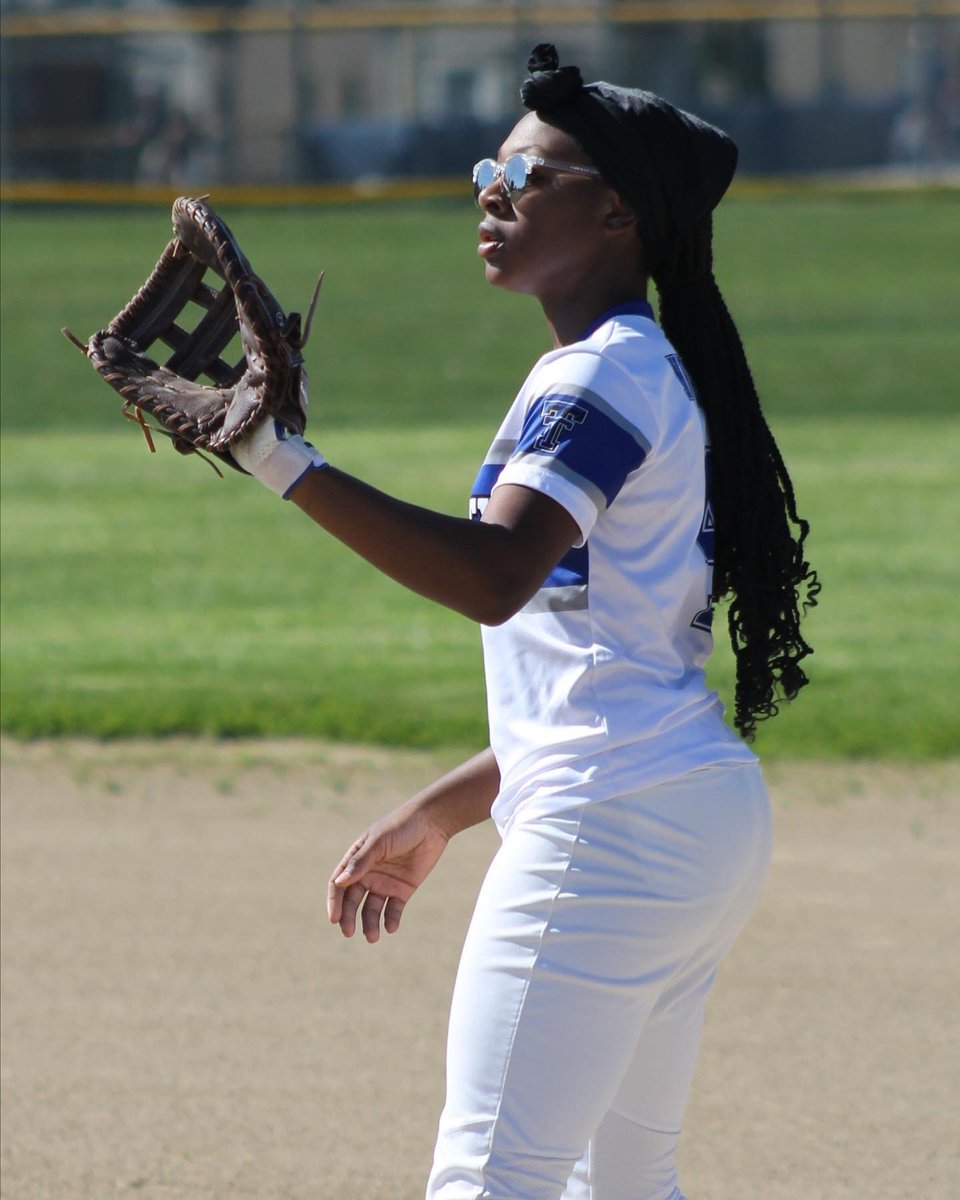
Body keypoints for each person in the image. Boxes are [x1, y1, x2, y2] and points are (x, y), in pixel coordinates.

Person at [231, 42, 819, 1200]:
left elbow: (496, 573)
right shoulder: (634, 366)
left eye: (530, 176)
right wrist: (448, 807)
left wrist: (277, 460)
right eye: (486, 173)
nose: (493, 197)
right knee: (623, 1176)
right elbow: (602, 665)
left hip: (616, 828)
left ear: (617, 214)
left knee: (491, 1176)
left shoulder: (600, 376)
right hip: (685, 811)